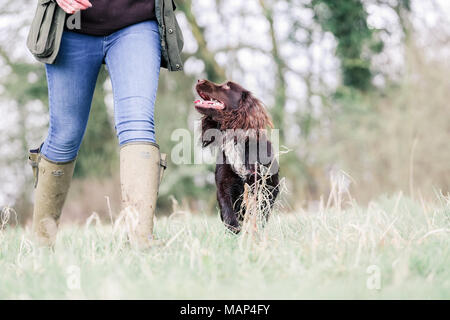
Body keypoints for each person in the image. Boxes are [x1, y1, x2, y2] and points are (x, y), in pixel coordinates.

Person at [26, 0, 183, 249]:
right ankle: (41, 245)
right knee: (65, 135)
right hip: (71, 27)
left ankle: (142, 240)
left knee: (138, 124)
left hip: (136, 22)